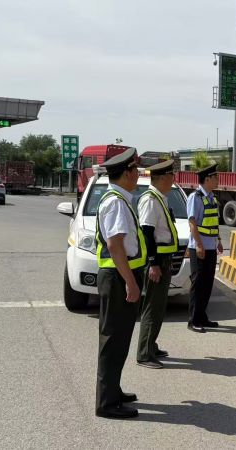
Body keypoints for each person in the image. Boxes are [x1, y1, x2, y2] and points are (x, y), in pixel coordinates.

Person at [94, 148, 146, 419]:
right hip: (117, 278)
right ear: (126, 173)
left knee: (119, 340)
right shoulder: (116, 202)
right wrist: (130, 282)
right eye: (135, 170)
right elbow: (115, 246)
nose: (138, 174)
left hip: (119, 277)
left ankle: (112, 390)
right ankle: (107, 403)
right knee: (113, 341)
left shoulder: (119, 199)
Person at [136, 159, 178, 369]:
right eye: (171, 176)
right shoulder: (150, 200)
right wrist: (153, 263)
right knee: (152, 308)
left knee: (159, 307)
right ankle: (144, 354)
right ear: (161, 178)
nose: (173, 179)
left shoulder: (160, 198)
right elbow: (147, 233)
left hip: (164, 259)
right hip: (157, 261)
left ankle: (151, 345)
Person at [186, 164, 223, 332]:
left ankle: (202, 317)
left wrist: (219, 240)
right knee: (198, 284)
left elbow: (213, 222)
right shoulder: (195, 197)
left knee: (208, 283)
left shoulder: (212, 197)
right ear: (207, 179)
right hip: (199, 248)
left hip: (211, 247)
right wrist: (199, 245)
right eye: (215, 177)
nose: (218, 180)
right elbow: (192, 223)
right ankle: (193, 320)